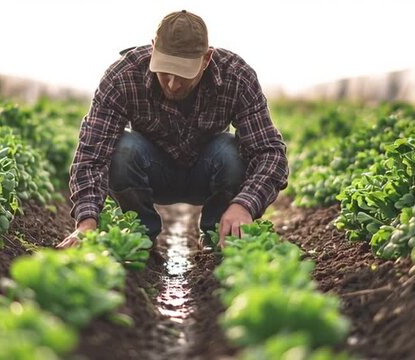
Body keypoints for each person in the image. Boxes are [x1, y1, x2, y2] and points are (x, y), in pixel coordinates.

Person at [57, 10, 288, 250]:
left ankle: (219, 236)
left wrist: (245, 204)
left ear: (206, 59)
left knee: (230, 151)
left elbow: (270, 154)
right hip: (151, 171)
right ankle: (139, 239)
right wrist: (86, 222)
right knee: (123, 149)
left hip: (207, 172)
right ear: (154, 47)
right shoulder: (123, 77)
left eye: (183, 74)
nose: (172, 83)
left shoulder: (236, 77)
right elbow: (91, 156)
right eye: (165, 70)